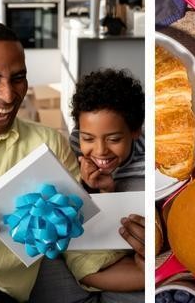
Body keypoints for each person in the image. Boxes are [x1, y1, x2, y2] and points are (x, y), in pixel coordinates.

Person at [0, 21, 143, 303]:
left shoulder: (50, 146)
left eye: (18, 78)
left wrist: (145, 267)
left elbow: (82, 255)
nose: (8, 94)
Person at [71, 69, 146, 273]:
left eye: (114, 139)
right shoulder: (74, 147)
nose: (100, 151)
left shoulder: (148, 169)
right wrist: (90, 186)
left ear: (135, 130)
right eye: (88, 138)